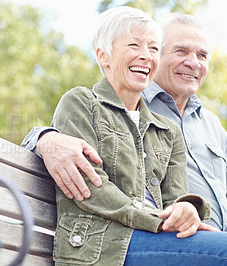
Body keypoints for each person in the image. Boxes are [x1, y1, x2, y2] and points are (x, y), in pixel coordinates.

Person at [39, 6, 226, 266]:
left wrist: (186, 211)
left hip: (155, 238)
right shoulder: (82, 102)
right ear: (103, 56)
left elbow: (176, 196)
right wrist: (156, 221)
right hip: (103, 246)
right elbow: (90, 187)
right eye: (133, 45)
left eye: (152, 48)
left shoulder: (168, 130)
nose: (145, 56)